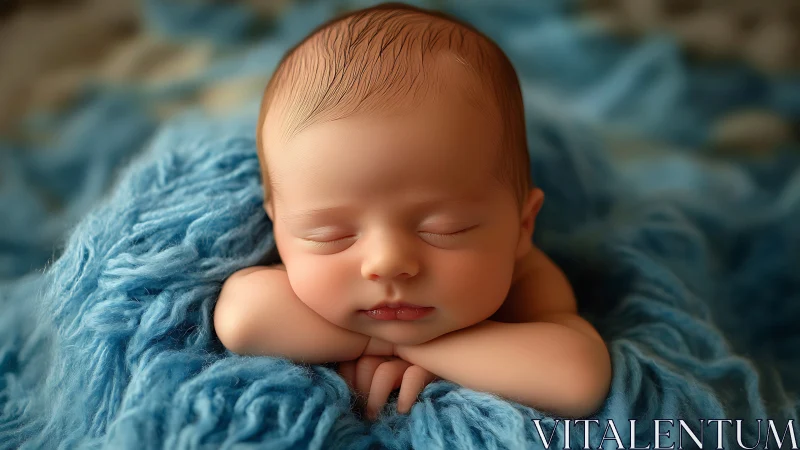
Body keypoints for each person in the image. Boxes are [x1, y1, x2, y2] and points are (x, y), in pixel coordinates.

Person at [214, 2, 611, 421]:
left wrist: (422, 349)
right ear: (279, 228)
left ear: (522, 226)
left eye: (445, 229)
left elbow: (577, 377)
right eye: (330, 234)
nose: (388, 263)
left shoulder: (526, 275)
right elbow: (245, 318)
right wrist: (379, 343)